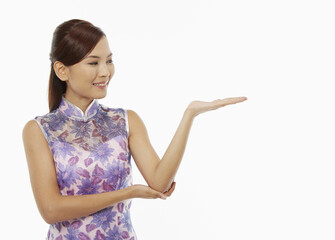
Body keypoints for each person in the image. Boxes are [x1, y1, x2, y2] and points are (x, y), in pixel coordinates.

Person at [22, 19, 247, 240]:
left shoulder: (125, 120)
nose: (105, 72)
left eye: (109, 61)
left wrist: (189, 115)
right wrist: (128, 193)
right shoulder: (40, 130)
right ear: (62, 70)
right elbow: (51, 210)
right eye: (93, 63)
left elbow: (160, 184)